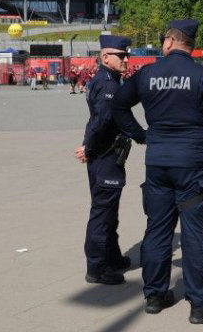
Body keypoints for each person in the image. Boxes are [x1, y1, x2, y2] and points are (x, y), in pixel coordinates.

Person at [112, 19, 203, 324]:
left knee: (157, 229)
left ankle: (155, 295)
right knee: (195, 234)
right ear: (189, 45)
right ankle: (200, 304)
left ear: (169, 42)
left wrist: (140, 134)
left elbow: (118, 105)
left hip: (158, 162)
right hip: (193, 163)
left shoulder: (147, 74)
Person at [75, 35, 135, 285]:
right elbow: (102, 120)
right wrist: (88, 147)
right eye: (121, 55)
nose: (126, 59)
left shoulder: (107, 79)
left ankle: (112, 256)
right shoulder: (109, 85)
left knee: (109, 208)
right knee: (102, 211)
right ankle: (97, 267)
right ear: (105, 57)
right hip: (105, 154)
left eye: (126, 55)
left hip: (105, 153)